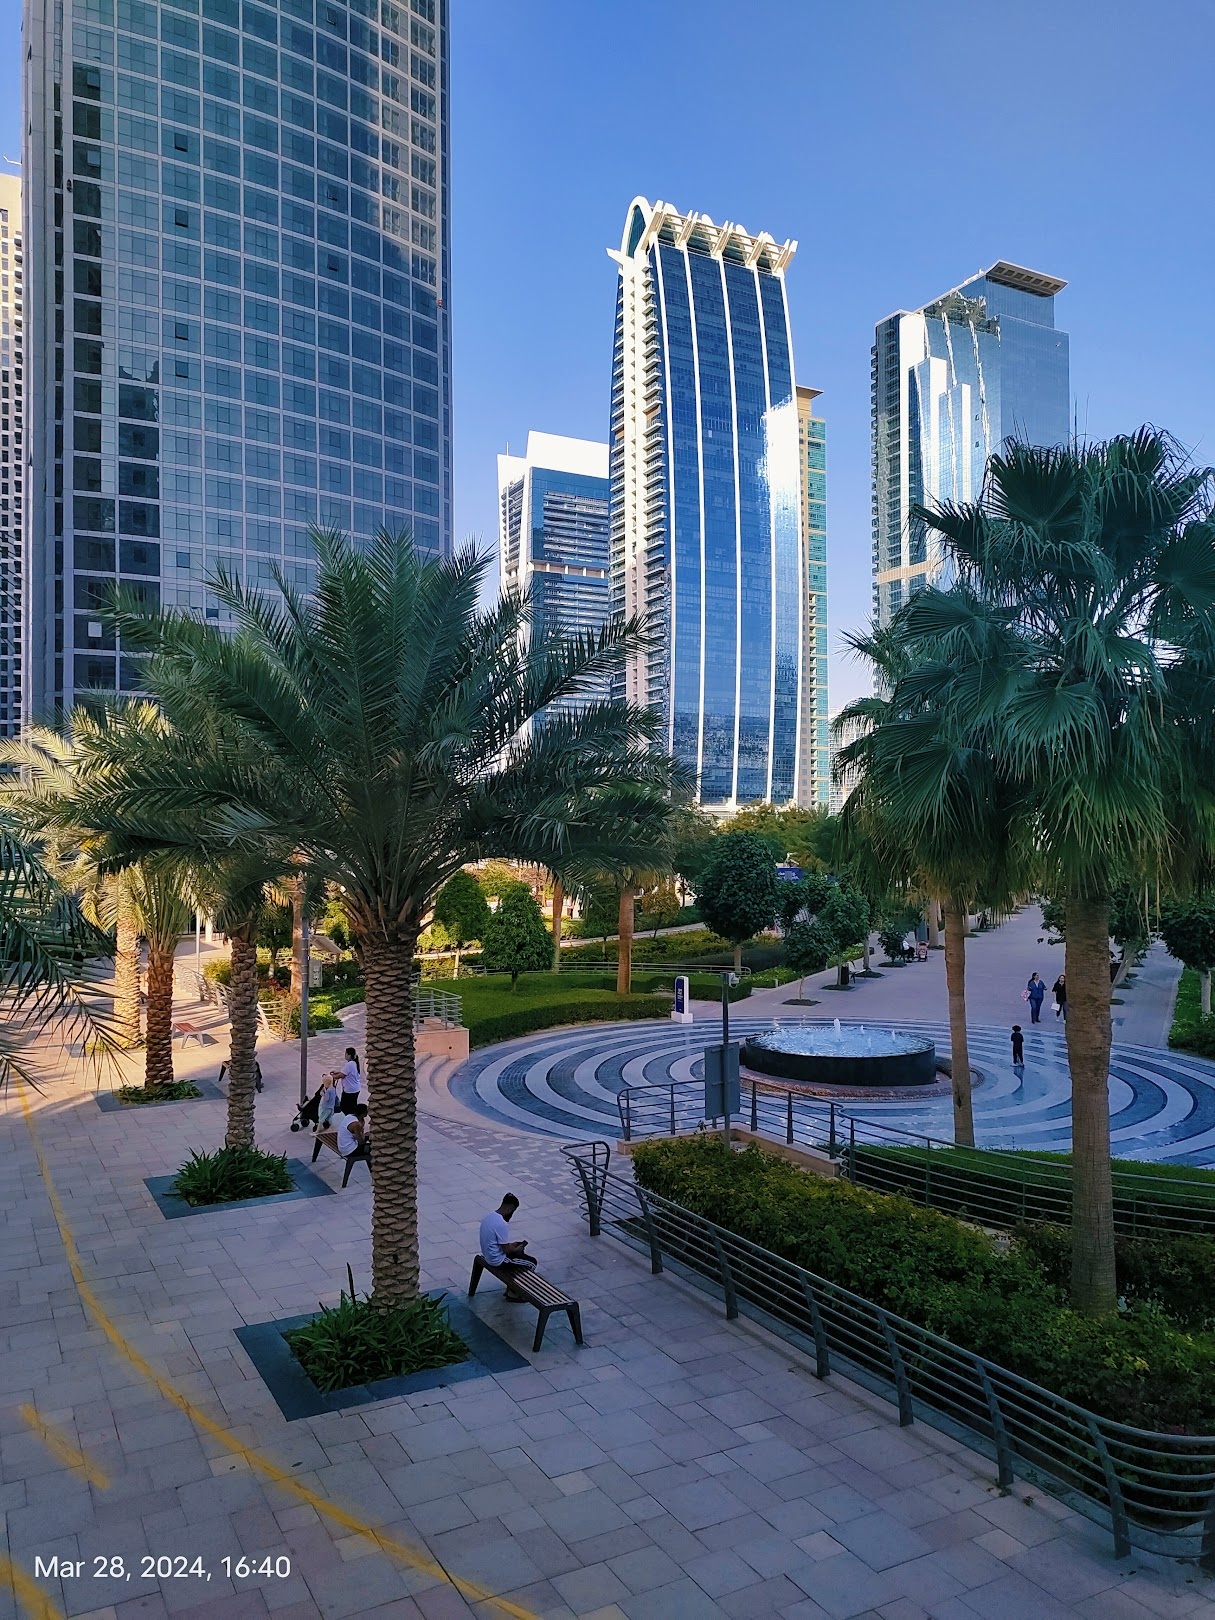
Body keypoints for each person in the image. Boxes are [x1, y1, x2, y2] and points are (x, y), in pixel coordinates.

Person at [478, 1194, 537, 1301]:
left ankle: (511, 1288)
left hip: (488, 1255)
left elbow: (500, 1243)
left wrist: (512, 1245)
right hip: (497, 1260)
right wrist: (517, 1248)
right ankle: (514, 1293)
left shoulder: (489, 1216)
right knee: (531, 1263)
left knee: (520, 1257)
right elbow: (506, 1250)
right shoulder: (501, 1224)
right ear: (510, 1209)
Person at [337, 1046, 362, 1114]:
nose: (345, 1055)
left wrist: (331, 1077)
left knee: (345, 1108)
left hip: (350, 1091)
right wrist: (337, 1073)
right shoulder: (354, 1063)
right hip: (355, 1089)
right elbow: (345, 1073)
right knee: (352, 1106)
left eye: (346, 1053)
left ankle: (349, 1118)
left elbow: (342, 1075)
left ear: (349, 1055)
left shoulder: (350, 1064)